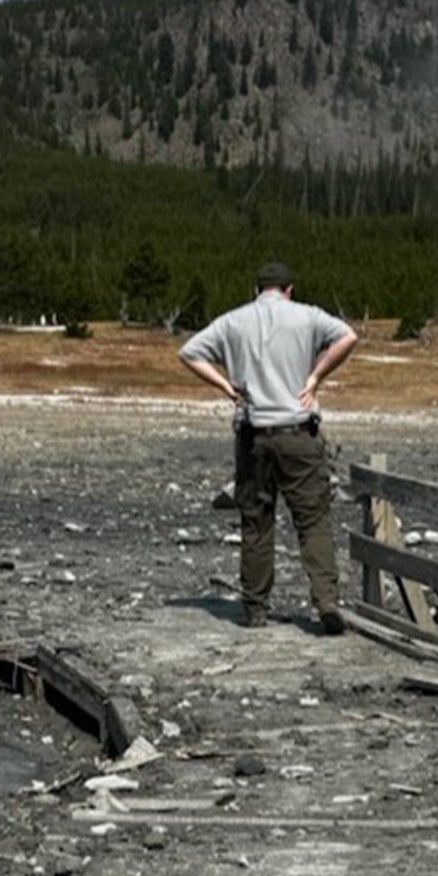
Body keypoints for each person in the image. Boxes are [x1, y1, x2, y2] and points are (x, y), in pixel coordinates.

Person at [179, 261, 358, 634]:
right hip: (298, 430)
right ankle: (326, 600)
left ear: (257, 290)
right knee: (312, 520)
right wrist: (315, 377)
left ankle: (256, 608)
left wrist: (226, 387)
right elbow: (347, 337)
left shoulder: (233, 321)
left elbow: (190, 352)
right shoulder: (308, 316)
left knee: (256, 521)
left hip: (253, 432)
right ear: (288, 289)